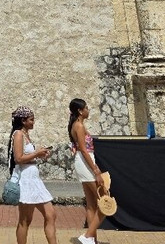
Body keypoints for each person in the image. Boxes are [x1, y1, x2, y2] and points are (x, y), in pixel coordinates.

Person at [10, 106, 57, 244]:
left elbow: (26, 156)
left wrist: (39, 155)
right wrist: (37, 153)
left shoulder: (25, 135)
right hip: (26, 179)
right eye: (31, 119)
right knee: (25, 219)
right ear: (23, 121)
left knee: (51, 214)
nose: (33, 122)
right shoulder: (18, 134)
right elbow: (18, 158)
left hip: (34, 178)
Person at [68, 98, 104, 244]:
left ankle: (92, 240)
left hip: (83, 163)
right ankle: (88, 236)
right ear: (80, 111)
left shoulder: (77, 125)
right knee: (105, 203)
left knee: (91, 205)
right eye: (86, 108)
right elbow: (83, 149)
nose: (88, 110)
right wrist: (96, 170)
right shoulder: (79, 126)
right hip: (86, 163)